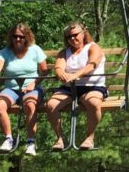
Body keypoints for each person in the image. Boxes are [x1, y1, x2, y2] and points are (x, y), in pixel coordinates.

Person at [0, 23, 48, 155]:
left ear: (27, 37)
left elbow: (44, 71)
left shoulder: (35, 49)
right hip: (12, 88)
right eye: (15, 36)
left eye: (21, 37)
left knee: (30, 105)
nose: (18, 39)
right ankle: (8, 138)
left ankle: (31, 142)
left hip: (31, 87)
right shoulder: (5, 52)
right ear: (11, 37)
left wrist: (34, 82)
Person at [45, 23, 107, 151]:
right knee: (51, 105)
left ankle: (90, 137)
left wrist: (75, 75)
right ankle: (60, 138)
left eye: (75, 35)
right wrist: (61, 73)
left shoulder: (93, 47)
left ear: (83, 33)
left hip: (92, 86)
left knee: (94, 103)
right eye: (69, 37)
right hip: (69, 88)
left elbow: (91, 65)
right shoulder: (64, 52)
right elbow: (59, 66)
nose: (72, 39)